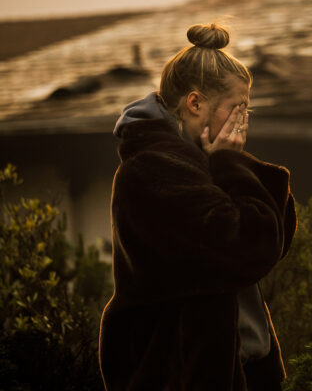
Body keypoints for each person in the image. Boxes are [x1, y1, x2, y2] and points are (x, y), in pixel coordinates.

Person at [99, 23, 296, 391]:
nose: (244, 121)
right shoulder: (154, 173)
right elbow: (249, 246)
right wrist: (231, 166)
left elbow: (276, 241)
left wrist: (226, 165)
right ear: (195, 103)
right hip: (183, 377)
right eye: (238, 108)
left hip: (238, 372)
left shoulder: (200, 163)